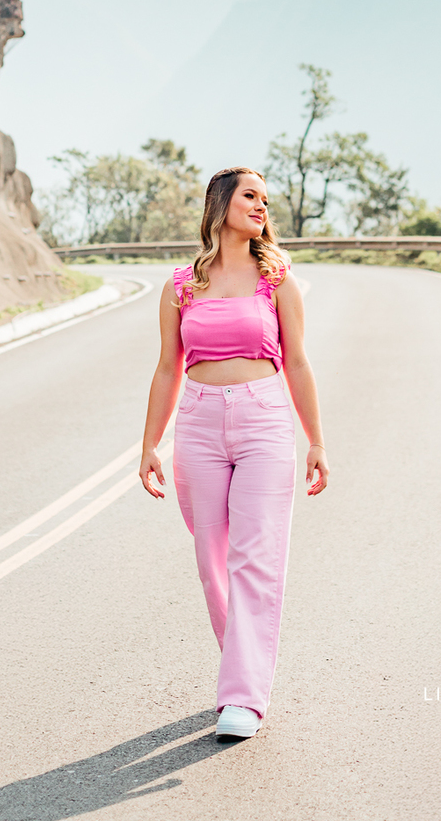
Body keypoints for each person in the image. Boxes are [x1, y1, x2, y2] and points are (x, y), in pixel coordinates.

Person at [139, 164, 328, 741]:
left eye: (266, 200)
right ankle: (242, 661)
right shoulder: (181, 285)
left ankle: (243, 696)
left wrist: (315, 439)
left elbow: (297, 361)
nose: (262, 206)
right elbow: (169, 366)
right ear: (220, 204)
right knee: (211, 559)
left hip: (265, 421)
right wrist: (150, 443)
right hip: (196, 423)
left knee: (255, 558)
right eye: (251, 196)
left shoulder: (278, 281)